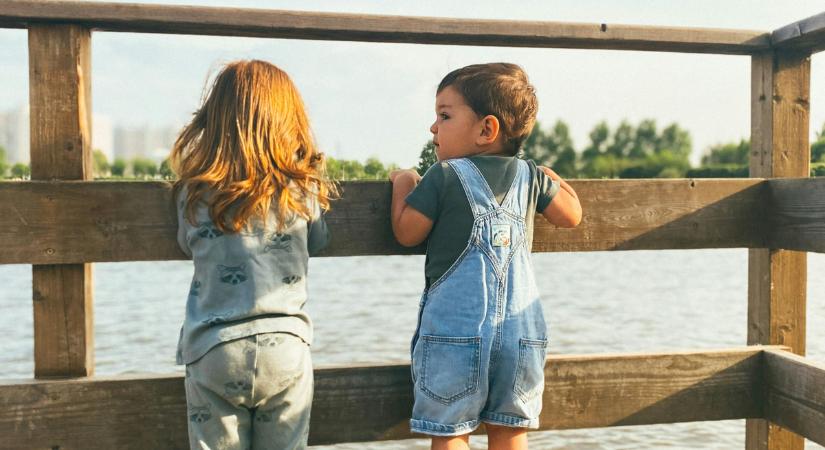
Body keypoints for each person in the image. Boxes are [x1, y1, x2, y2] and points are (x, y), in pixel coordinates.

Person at [389, 63, 582, 450]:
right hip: (520, 336)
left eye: (444, 115)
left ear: (485, 130)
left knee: (451, 433)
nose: (433, 128)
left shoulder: (442, 176)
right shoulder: (531, 177)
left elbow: (407, 232)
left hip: (455, 334)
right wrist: (554, 178)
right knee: (510, 430)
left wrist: (404, 183)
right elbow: (572, 216)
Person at [169, 60, 336, 450]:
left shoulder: (192, 192)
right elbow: (319, 240)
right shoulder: (302, 188)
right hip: (286, 346)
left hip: (214, 347)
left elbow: (184, 242)